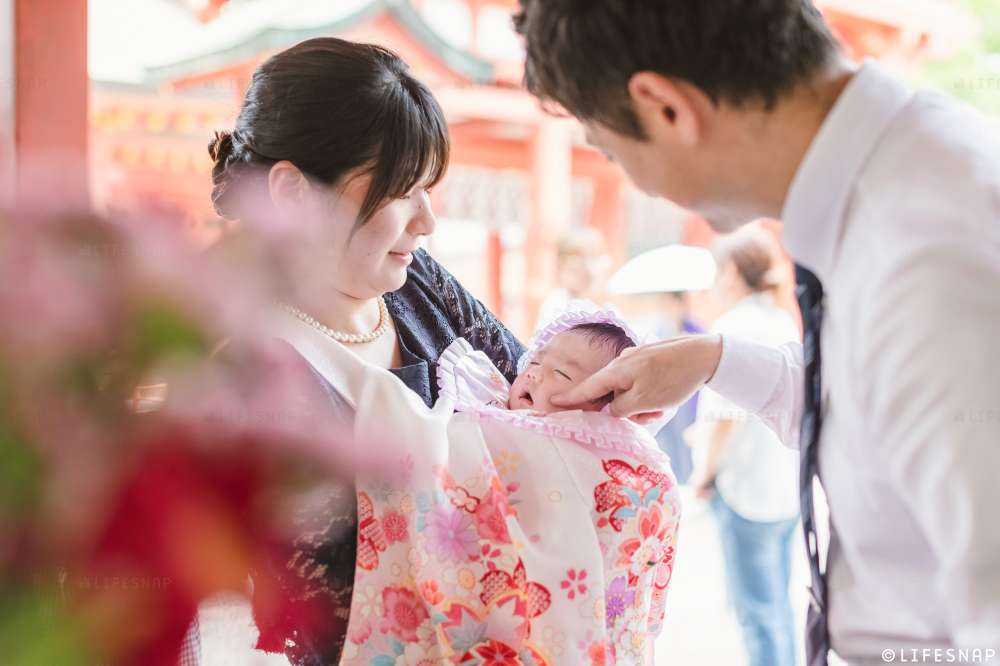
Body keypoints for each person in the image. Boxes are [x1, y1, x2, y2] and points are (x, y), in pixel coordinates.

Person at [514, 1, 1000, 664]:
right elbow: (880, 411)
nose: (635, 182)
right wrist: (713, 360)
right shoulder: (899, 183)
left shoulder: (929, 259)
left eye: (611, 150)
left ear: (664, 108)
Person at [206, 38, 525, 664]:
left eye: (429, 189)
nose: (428, 221)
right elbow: (310, 597)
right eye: (403, 190)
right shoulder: (248, 375)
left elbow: (528, 396)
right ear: (292, 191)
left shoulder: (423, 285)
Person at [688, 229, 800, 666]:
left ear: (732, 273)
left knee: (756, 615)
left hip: (744, 489)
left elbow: (723, 418)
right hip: (785, 485)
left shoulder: (731, 328)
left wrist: (703, 474)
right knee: (780, 609)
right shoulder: (781, 318)